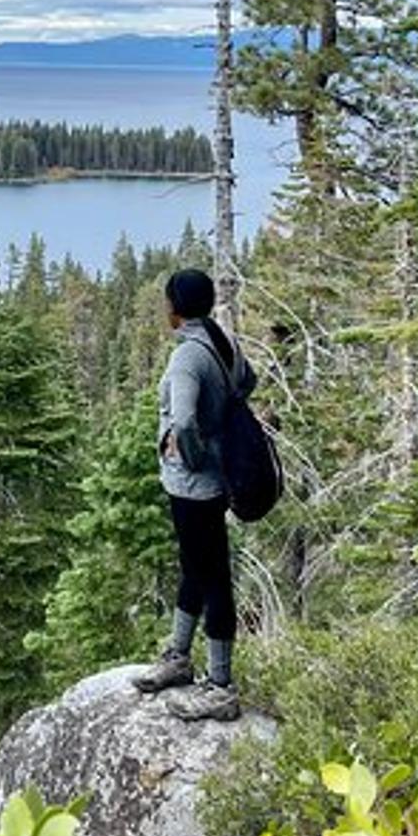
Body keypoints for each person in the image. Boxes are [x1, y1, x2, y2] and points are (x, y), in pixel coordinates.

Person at [133, 268, 255, 722]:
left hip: (193, 486)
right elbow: (249, 383)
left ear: (174, 307)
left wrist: (187, 448)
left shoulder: (187, 358)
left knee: (214, 577)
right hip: (215, 481)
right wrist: (219, 427)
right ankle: (179, 656)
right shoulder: (223, 343)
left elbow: (182, 419)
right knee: (196, 567)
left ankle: (220, 686)